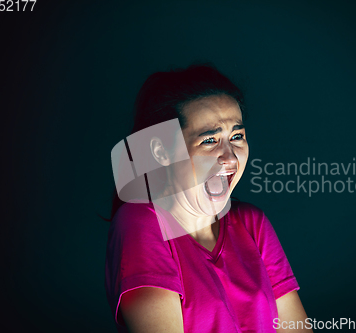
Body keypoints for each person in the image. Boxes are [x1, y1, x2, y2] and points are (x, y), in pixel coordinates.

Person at [104, 63, 312, 332]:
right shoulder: (140, 223)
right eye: (210, 140)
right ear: (162, 152)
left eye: (236, 137)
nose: (230, 157)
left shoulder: (252, 223)